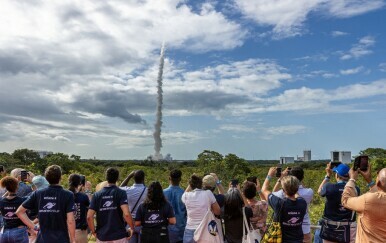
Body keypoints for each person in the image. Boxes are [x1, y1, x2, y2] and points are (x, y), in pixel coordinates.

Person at [16, 165, 76, 243]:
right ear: (60, 178)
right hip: (61, 238)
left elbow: (19, 212)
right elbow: (70, 220)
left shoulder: (38, 193)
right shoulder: (68, 194)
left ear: (46, 178)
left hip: (42, 238)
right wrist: (73, 239)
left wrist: (35, 227)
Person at [87, 168, 134, 243]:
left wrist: (93, 231)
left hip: (102, 236)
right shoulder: (121, 193)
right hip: (119, 236)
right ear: (117, 178)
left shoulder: (97, 195)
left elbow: (89, 216)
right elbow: (126, 214)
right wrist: (132, 227)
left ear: (106, 178)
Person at [261, 167, 307, 243]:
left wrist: (269, 175)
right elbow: (296, 194)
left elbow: (264, 190)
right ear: (297, 188)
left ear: (283, 190)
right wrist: (293, 184)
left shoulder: (279, 203)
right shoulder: (302, 203)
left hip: (281, 239)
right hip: (298, 239)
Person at [341, 165, 386, 242]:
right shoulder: (373, 200)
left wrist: (352, 179)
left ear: (377, 182)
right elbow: (380, 195)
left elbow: (345, 200)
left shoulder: (368, 200)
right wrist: (370, 181)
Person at [317, 163, 358, 243]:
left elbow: (320, 191)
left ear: (337, 175)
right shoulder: (355, 189)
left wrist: (328, 175)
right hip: (348, 228)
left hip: (330, 227)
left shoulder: (329, 187)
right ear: (349, 176)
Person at [272, 167, 314, 243]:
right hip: (305, 226)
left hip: (287, 229)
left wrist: (281, 179)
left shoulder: (282, 193)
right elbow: (302, 187)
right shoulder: (309, 192)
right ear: (302, 178)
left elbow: (273, 194)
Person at [181, 174, 221, 243]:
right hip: (205, 230)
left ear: (190, 185)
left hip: (189, 231)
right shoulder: (208, 193)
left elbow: (185, 193)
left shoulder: (185, 196)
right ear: (201, 184)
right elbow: (217, 212)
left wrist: (191, 183)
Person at [120, 170, 148, 243]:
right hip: (143, 223)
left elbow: (120, 187)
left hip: (130, 223)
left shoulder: (127, 190)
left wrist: (129, 176)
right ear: (143, 179)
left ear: (133, 179)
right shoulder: (148, 191)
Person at [0, 176, 29, 243]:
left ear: (6, 188)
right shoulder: (23, 200)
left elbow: (3, 198)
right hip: (19, 232)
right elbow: (36, 193)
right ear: (17, 187)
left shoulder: (1, 201)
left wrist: (10, 188)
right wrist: (31, 183)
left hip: (4, 233)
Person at [163, 169, 187, 243]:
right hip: (181, 227)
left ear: (169, 178)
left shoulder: (163, 193)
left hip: (167, 228)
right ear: (180, 179)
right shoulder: (184, 193)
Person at [68, 174, 90, 243]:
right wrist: (87, 191)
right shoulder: (83, 196)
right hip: (81, 231)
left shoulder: (65, 195)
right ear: (79, 183)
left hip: (67, 230)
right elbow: (90, 207)